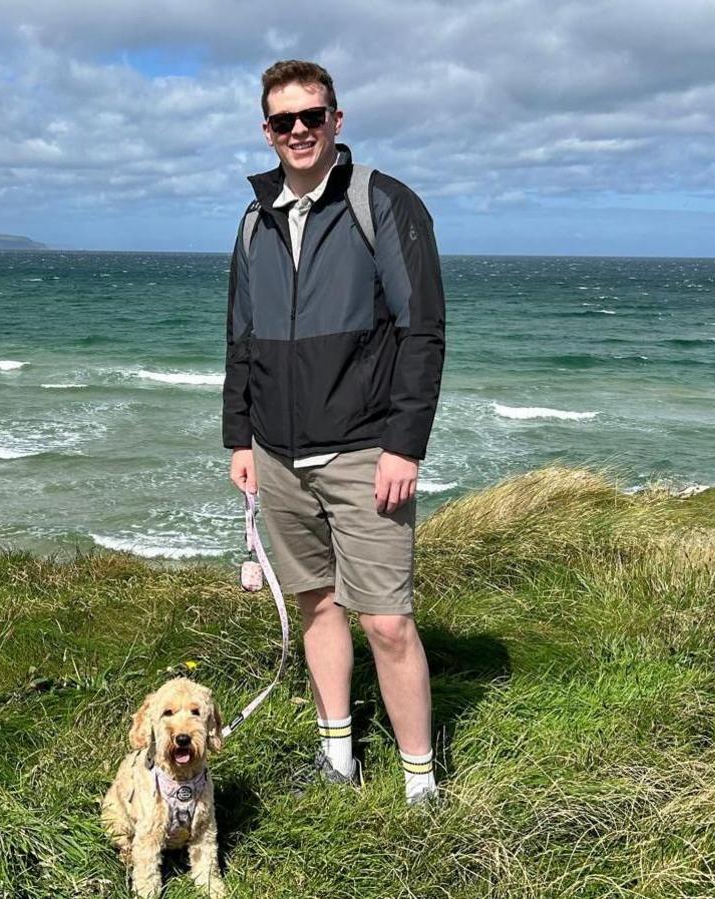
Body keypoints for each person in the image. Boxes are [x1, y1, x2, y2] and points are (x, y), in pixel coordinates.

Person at [223, 59, 447, 804]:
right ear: (266, 130)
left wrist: (404, 443)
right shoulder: (254, 220)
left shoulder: (381, 201)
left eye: (312, 117)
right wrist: (240, 440)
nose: (299, 132)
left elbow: (422, 331)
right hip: (278, 456)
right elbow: (241, 342)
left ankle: (420, 785)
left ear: (336, 121)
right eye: (284, 121)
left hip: (363, 452)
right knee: (317, 604)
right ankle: (338, 759)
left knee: (386, 619)